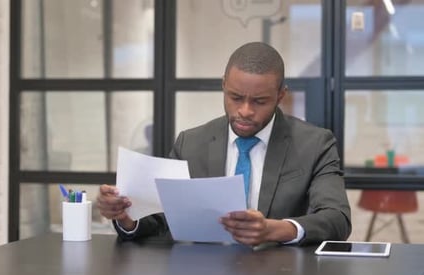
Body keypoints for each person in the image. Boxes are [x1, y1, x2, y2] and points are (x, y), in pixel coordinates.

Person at [97, 42, 351, 246]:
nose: (245, 111)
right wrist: (127, 218)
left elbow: (337, 218)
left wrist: (275, 229)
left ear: (281, 96)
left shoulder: (315, 144)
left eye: (259, 101)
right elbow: (162, 221)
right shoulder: (191, 143)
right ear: (223, 86)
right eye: (235, 97)